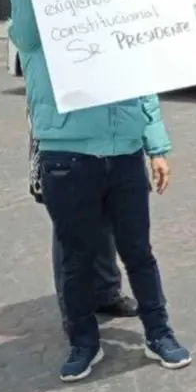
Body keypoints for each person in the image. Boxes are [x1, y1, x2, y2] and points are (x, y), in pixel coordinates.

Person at [9, 0, 191, 382]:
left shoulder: (117, 29)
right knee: (78, 257)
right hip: (67, 159)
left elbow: (143, 86)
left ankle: (159, 333)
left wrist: (156, 146)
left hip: (124, 155)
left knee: (139, 253)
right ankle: (83, 343)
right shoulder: (37, 33)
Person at [28, 109, 138, 335]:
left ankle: (106, 293)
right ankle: (73, 313)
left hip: (105, 130)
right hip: (61, 135)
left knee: (104, 215)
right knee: (70, 229)